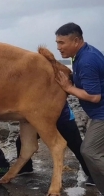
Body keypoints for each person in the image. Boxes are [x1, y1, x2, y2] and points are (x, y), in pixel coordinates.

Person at [55, 22, 104, 195]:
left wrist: (68, 88)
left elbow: (94, 96)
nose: (58, 47)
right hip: (97, 113)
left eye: (62, 43)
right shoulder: (81, 56)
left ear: (76, 41)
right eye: (57, 43)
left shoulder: (87, 61)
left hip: (101, 114)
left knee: (88, 151)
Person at [15, 103, 94, 185]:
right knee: (21, 142)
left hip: (63, 119)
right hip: (42, 121)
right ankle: (25, 168)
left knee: (77, 147)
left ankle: (93, 175)